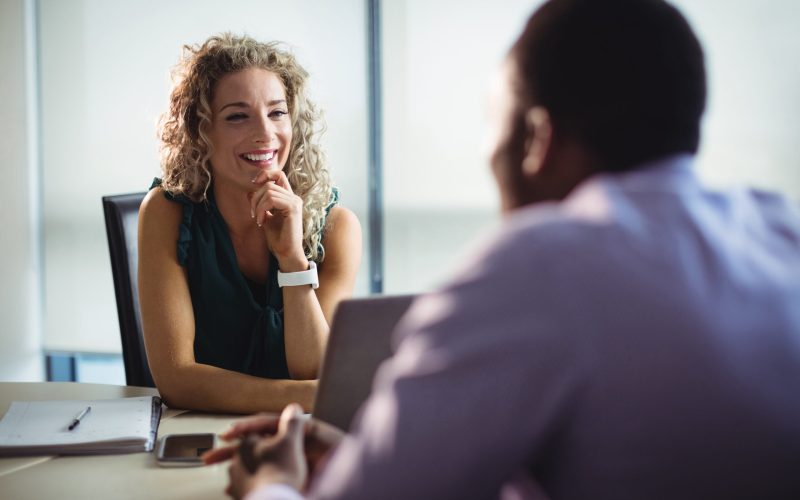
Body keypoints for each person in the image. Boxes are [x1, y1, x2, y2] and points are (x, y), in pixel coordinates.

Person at [206, 0, 800, 498]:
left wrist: (277, 484)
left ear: (535, 139)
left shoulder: (540, 263)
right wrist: (378, 456)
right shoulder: (780, 234)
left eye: (494, 128)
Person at [138, 34, 362, 414]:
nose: (264, 133)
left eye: (277, 112)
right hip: (196, 433)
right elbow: (176, 379)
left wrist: (292, 260)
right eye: (238, 116)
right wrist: (309, 397)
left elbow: (316, 368)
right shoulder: (166, 212)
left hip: (298, 440)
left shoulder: (336, 227)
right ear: (201, 130)